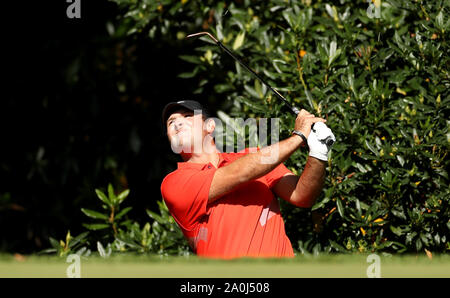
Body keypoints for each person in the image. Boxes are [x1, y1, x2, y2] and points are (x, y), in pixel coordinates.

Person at [160, 100, 335, 259]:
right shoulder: (174, 183)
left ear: (210, 126)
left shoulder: (254, 158)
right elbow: (238, 173)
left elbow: (302, 195)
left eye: (188, 116)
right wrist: (298, 136)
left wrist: (318, 152)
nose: (178, 123)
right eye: (171, 122)